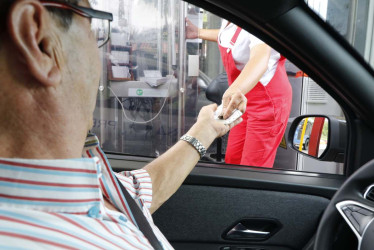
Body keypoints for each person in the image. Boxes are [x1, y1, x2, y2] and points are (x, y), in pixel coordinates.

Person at [0, 0, 244, 249]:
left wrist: (206, 129)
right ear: (38, 40)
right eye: (93, 28)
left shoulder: (71, 170)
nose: (98, 52)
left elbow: (133, 196)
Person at [186, 18, 292, 168]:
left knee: (253, 168)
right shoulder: (230, 15)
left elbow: (260, 57)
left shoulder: (256, 13)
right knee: (233, 159)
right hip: (243, 100)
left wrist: (235, 89)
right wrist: (198, 32)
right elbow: (233, 37)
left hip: (266, 101)